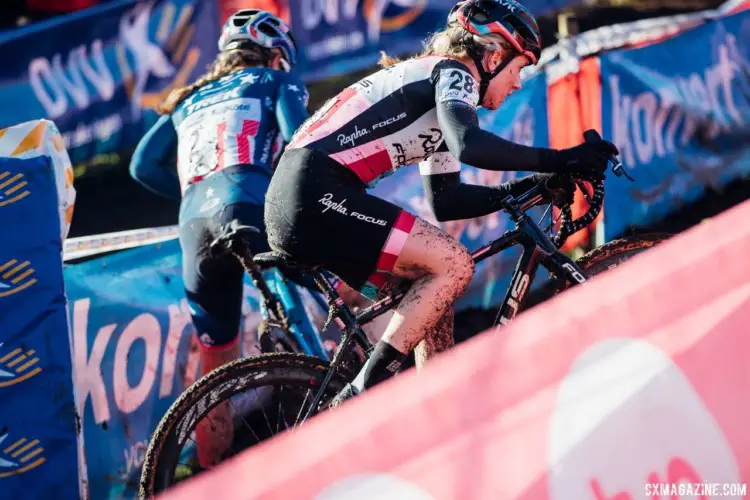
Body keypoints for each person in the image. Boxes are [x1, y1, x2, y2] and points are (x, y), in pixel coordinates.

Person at [264, 0, 618, 405]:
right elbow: (469, 146)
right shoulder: (454, 72)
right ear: (493, 55)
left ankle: (440, 412)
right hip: (313, 192)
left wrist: (528, 186)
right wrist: (561, 159)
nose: (518, 83)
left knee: (432, 298)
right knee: (453, 264)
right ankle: (357, 395)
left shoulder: (442, 94)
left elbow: (447, 201)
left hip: (302, 196)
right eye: (520, 68)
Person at [129, 9, 308, 466]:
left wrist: (194, 193)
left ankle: (210, 477)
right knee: (329, 282)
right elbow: (302, 147)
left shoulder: (189, 97)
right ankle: (336, 390)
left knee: (217, 368)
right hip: (248, 203)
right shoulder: (277, 83)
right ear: (276, 57)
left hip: (193, 225)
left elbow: (141, 166)